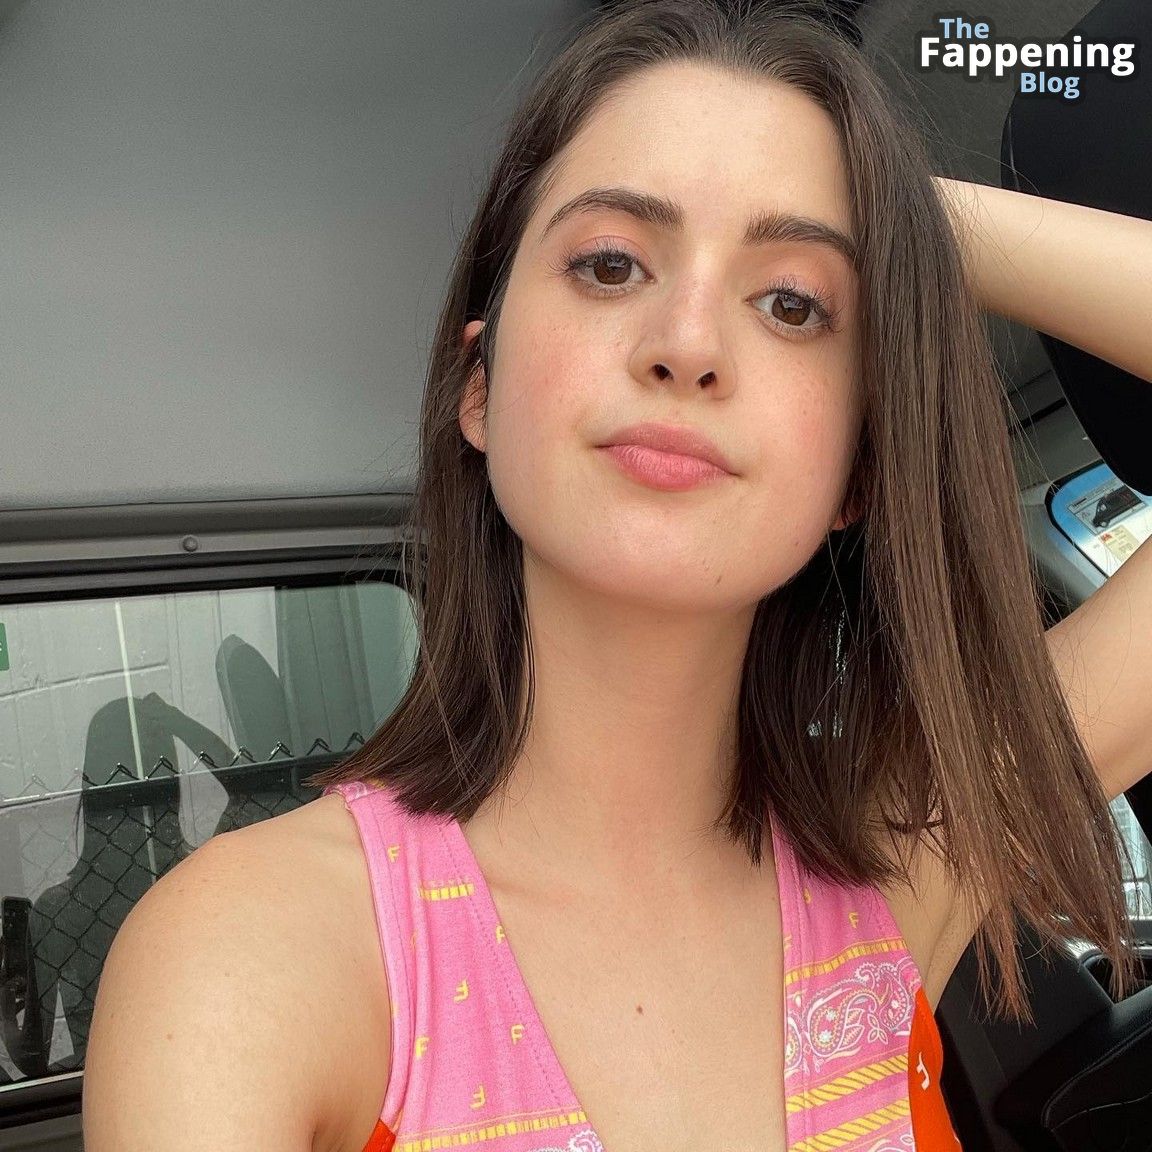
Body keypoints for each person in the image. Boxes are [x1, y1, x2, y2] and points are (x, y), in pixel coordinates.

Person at [82, 2, 1152, 1149]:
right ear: (479, 387)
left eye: (792, 300)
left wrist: (906, 223)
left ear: (857, 465)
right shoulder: (254, 954)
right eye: (610, 263)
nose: (687, 342)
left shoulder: (900, 865)